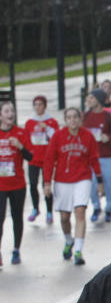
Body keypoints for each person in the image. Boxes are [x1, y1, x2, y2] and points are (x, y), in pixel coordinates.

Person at [43, 107, 101, 265]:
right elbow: (49, 160)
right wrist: (47, 182)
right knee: (64, 217)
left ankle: (78, 251)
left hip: (82, 179)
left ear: (80, 118)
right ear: (65, 120)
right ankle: (69, 241)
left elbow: (94, 159)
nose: (73, 120)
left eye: (75, 116)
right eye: (69, 117)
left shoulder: (87, 136)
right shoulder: (58, 136)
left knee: (80, 212)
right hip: (62, 180)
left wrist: (100, 181)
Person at [83, 88, 111, 222]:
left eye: (92, 98)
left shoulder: (108, 117)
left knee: (110, 184)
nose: (89, 100)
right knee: (91, 184)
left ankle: (109, 208)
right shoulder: (85, 117)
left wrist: (109, 139)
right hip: (90, 159)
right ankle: (96, 206)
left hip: (108, 157)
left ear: (99, 101)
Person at [0, 101, 32, 266]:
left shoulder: (20, 133)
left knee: (16, 216)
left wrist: (20, 146)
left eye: (12, 110)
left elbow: (30, 157)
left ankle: (16, 249)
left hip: (18, 184)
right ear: (0, 115)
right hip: (0, 185)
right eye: (6, 111)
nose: (10, 113)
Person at [24, 95, 58, 225]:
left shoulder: (51, 122)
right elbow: (26, 140)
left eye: (40, 104)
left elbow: (56, 137)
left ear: (45, 106)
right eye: (36, 105)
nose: (38, 107)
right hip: (33, 159)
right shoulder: (30, 122)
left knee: (46, 185)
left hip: (47, 159)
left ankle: (49, 211)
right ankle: (35, 208)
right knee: (32, 184)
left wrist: (47, 128)